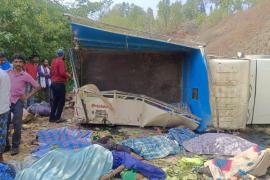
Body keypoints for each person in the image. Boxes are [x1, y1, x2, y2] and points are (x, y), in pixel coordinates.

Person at [6, 54, 41, 155]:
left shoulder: (25, 75)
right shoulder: (7, 73)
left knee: (17, 124)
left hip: (18, 102)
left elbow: (37, 86)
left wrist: (27, 96)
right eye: (16, 62)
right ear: (12, 62)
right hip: (6, 102)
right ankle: (6, 145)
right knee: (5, 124)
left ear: (23, 64)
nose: (18, 64)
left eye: (20, 62)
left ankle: (15, 146)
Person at [49, 49, 71, 123]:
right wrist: (68, 76)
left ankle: (52, 118)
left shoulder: (53, 61)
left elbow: (51, 72)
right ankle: (58, 118)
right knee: (61, 101)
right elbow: (62, 73)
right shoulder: (61, 61)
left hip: (53, 83)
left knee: (55, 101)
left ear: (57, 54)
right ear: (63, 55)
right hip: (59, 83)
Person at [0, 68, 11, 161]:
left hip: (2, 110)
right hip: (4, 109)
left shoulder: (3, 75)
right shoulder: (5, 74)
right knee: (2, 135)